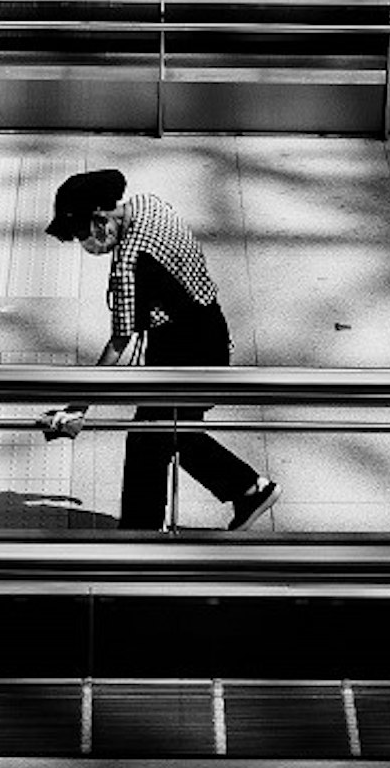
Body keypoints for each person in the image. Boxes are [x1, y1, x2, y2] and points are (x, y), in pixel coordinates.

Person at [38, 170, 280, 534]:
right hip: (212, 332)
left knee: (152, 437)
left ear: (100, 219)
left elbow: (119, 341)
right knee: (167, 432)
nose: (88, 246)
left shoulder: (128, 263)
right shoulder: (150, 206)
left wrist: (78, 407)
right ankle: (244, 492)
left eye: (84, 236)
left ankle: (145, 533)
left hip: (180, 351)